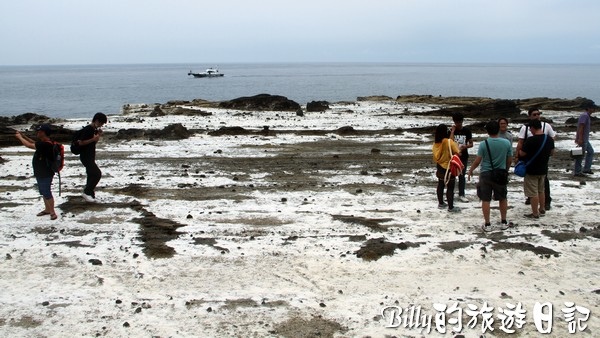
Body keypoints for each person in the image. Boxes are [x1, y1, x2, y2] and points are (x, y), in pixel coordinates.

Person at [467, 120, 513, 231]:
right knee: (502, 198)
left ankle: (487, 224)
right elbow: (509, 159)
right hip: (500, 173)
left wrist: (471, 170)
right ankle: (503, 221)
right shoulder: (506, 143)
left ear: (487, 131)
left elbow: (478, 160)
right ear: (498, 129)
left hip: (486, 173)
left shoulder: (484, 144)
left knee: (486, 199)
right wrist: (506, 170)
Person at [14, 124, 58, 220]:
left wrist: (20, 137)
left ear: (44, 133)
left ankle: (52, 212)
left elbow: (29, 145)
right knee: (43, 191)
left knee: (46, 192)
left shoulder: (45, 144)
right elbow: (34, 142)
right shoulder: (45, 143)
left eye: (39, 131)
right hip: (41, 171)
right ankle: (47, 209)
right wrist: (24, 136)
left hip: (45, 172)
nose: (37, 133)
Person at [516, 107, 556, 210]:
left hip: (538, 160)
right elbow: (520, 142)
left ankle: (542, 206)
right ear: (529, 116)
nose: (537, 116)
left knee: (540, 184)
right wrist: (517, 156)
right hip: (531, 160)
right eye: (534, 114)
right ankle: (537, 204)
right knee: (538, 186)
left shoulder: (546, 126)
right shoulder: (525, 128)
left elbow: (552, 139)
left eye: (538, 114)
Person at [76, 112, 107, 202]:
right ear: (96, 120)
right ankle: (87, 192)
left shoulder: (93, 130)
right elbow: (81, 142)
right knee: (97, 174)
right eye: (101, 123)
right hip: (85, 156)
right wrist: (93, 139)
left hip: (90, 155)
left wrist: (97, 137)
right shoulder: (88, 129)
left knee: (91, 174)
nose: (101, 125)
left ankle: (90, 194)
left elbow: (92, 143)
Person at [432, 124, 461, 212]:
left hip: (440, 166)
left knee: (440, 184)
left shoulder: (436, 144)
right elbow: (457, 151)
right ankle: (451, 207)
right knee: (450, 187)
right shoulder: (448, 142)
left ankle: (441, 203)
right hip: (449, 166)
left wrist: (452, 132)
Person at [451, 112, 473, 203]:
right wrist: (452, 131)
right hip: (453, 156)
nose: (458, 124)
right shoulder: (452, 131)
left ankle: (461, 194)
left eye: (459, 122)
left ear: (462, 121)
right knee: (451, 175)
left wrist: (465, 147)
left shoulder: (467, 131)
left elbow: (471, 144)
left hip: (463, 156)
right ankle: (450, 193)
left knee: (461, 175)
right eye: (456, 122)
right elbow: (450, 141)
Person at [574, 101, 597, 177]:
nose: (594, 109)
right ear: (589, 108)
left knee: (590, 151)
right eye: (592, 108)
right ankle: (577, 171)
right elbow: (581, 127)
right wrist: (580, 138)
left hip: (585, 139)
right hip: (583, 139)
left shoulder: (586, 116)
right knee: (580, 155)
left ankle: (586, 168)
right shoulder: (585, 116)